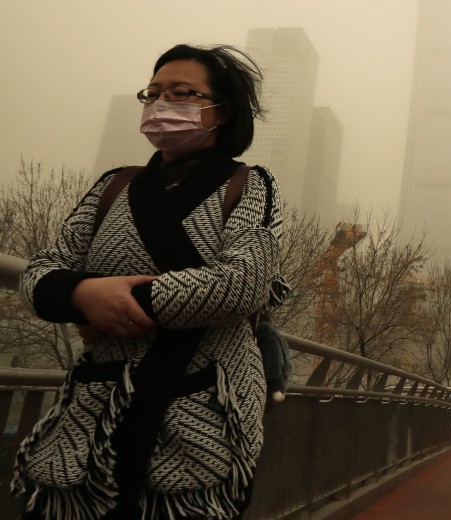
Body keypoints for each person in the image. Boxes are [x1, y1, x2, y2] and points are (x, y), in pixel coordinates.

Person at [12, 44, 290, 519]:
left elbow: (244, 283)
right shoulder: (113, 185)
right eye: (153, 92)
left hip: (203, 415)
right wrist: (81, 293)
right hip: (94, 413)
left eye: (181, 93)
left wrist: (117, 298)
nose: (162, 104)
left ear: (222, 111)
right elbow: (42, 269)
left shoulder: (251, 185)